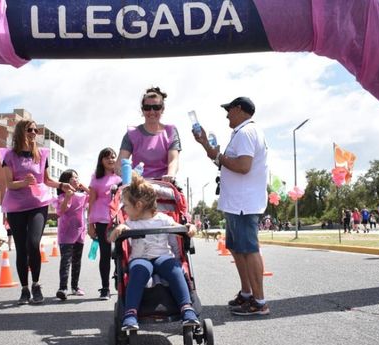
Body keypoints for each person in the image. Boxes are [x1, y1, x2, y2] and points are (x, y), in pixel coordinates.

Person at [193, 96, 270, 316]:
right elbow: (221, 159)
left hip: (244, 203)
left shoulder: (246, 133)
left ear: (239, 109)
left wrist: (220, 156)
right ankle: (247, 294)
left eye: (229, 110)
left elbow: (243, 166)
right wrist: (205, 144)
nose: (227, 114)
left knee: (249, 250)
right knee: (237, 250)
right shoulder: (241, 133)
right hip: (236, 204)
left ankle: (259, 301)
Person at [107, 174, 199, 330]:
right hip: (140, 258)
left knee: (175, 270)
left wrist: (190, 227)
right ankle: (130, 313)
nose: (124, 209)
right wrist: (118, 230)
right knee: (138, 270)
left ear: (138, 205)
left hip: (163, 256)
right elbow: (110, 239)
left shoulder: (163, 219)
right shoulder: (129, 223)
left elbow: (180, 229)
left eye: (127, 206)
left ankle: (186, 308)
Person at [1, 120, 74, 305]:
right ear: (20, 132)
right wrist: (23, 183)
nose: (33, 133)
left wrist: (62, 185)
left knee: (33, 243)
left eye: (35, 130)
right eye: (29, 130)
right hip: (16, 207)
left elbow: (47, 180)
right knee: (21, 248)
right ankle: (25, 289)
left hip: (37, 204)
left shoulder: (41, 154)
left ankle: (36, 284)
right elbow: (9, 183)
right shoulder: (9, 156)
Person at [117, 87, 181, 182]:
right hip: (138, 186)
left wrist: (170, 174)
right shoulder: (131, 134)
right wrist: (125, 173)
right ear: (143, 110)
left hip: (164, 185)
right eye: (147, 108)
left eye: (156, 107)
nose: (151, 112)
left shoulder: (170, 131)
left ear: (162, 109)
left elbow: (173, 160)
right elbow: (120, 163)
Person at [88, 147, 122, 300]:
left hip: (120, 219)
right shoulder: (96, 177)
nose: (111, 159)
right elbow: (92, 201)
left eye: (113, 156)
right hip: (102, 219)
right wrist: (90, 224)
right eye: (106, 157)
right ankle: (105, 288)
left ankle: (120, 277)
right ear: (101, 160)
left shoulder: (122, 176)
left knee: (122, 252)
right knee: (105, 254)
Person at [55, 169, 89, 301]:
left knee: (77, 261)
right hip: (66, 233)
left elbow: (93, 196)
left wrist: (84, 187)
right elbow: (60, 211)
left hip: (80, 232)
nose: (76, 179)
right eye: (72, 178)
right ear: (65, 182)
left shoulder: (82, 195)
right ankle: (62, 288)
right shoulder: (62, 197)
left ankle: (75, 287)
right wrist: (68, 196)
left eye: (76, 176)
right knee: (66, 261)